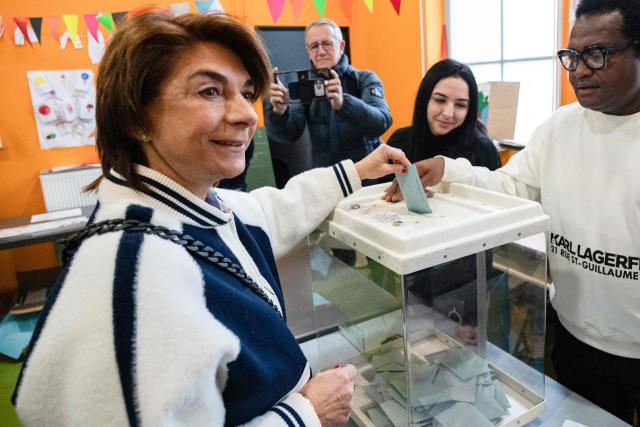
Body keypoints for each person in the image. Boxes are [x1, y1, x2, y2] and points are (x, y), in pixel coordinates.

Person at [12, 10, 410, 427]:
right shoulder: (132, 271)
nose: (247, 114)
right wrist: (307, 412)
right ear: (135, 118)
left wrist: (357, 170)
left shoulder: (194, 207)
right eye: (209, 91)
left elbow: (271, 210)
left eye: (246, 92)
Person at [384, 0, 640, 423]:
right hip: (576, 334)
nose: (579, 70)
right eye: (572, 57)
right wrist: (448, 169)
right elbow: (509, 187)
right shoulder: (559, 128)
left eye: (598, 54)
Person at [264, 18, 393, 169]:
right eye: (314, 46)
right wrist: (280, 112)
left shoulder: (363, 78)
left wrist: (344, 104)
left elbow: (382, 122)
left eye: (327, 43)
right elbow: (289, 135)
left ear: (341, 46)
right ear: (308, 51)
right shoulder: (306, 86)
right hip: (329, 180)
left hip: (368, 174)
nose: (321, 51)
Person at [385, 58, 500, 171]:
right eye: (440, 100)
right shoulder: (399, 142)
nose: (448, 113)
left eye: (460, 105)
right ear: (424, 100)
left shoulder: (484, 150)